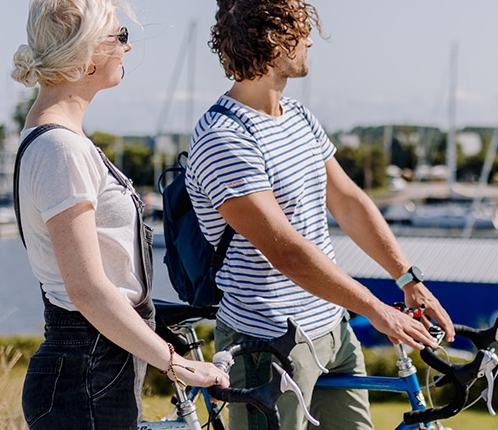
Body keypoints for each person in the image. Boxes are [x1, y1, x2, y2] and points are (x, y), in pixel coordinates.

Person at [187, 1, 456, 429]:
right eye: (301, 30)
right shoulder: (224, 138)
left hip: (333, 327)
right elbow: (286, 252)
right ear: (275, 41)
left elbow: (348, 201)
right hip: (267, 342)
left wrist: (407, 278)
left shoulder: (297, 117)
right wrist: (376, 309)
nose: (311, 40)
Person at [9, 0, 228, 428]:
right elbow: (87, 289)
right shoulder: (61, 149)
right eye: (120, 37)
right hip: (86, 371)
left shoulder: (56, 139)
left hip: (94, 366)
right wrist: (178, 365)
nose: (127, 49)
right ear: (86, 55)